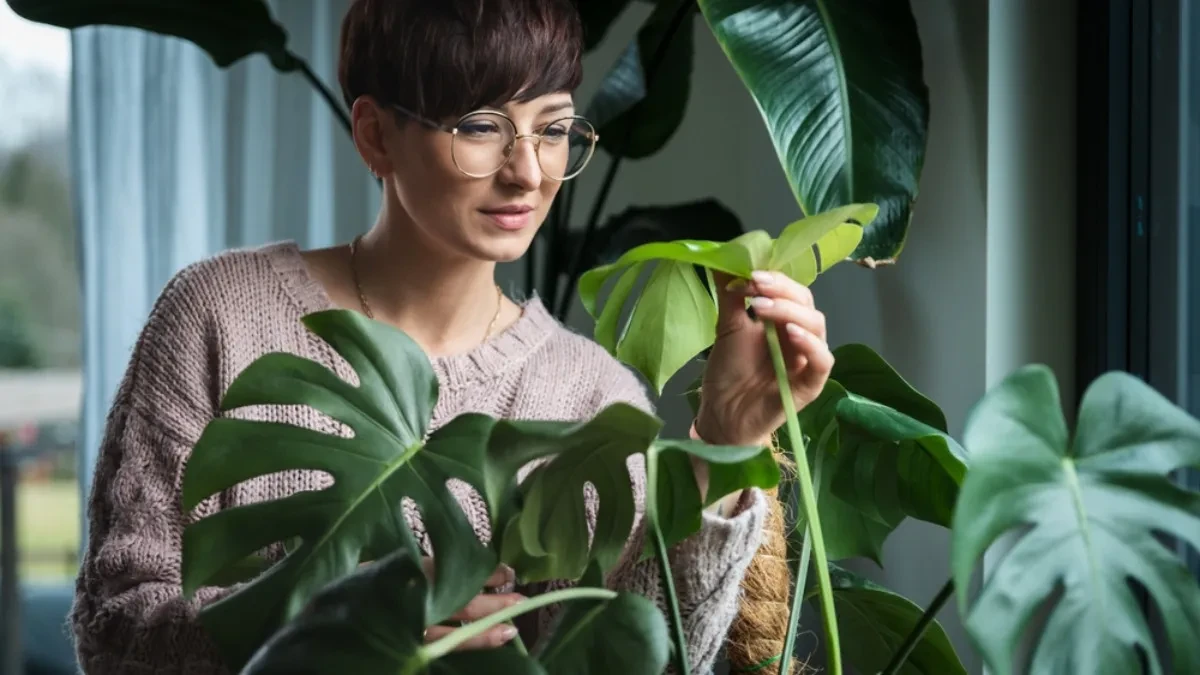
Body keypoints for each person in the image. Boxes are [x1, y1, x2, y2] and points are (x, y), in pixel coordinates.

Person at [68, 0, 834, 673]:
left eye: (554, 128)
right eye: (480, 126)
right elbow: (113, 629)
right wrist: (329, 629)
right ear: (375, 135)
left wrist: (727, 437)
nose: (527, 172)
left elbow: (650, 659)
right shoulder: (219, 315)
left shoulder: (592, 397)